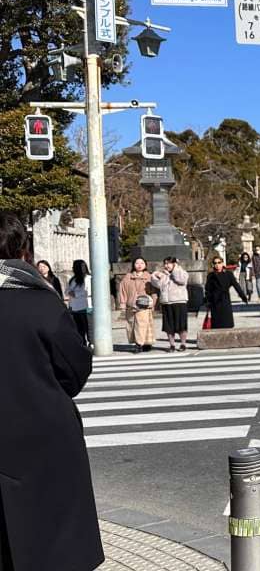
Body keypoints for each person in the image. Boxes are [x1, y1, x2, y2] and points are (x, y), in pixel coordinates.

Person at [0, 212, 104, 571]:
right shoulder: (38, 302)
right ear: (22, 251)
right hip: (45, 432)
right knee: (53, 538)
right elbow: (75, 368)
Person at [150, 257, 190, 352]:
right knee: (169, 325)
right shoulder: (163, 275)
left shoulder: (182, 272)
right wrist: (156, 275)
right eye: (165, 263)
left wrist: (175, 270)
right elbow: (156, 284)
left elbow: (181, 280)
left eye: (169, 263)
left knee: (181, 324)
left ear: (174, 264)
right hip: (166, 302)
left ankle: (183, 344)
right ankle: (171, 344)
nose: (166, 265)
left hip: (179, 301)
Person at [118, 258, 156, 352]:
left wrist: (153, 303)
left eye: (142, 263)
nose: (139, 265)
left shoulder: (149, 277)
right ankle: (143, 343)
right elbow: (122, 291)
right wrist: (123, 303)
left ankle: (139, 345)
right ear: (133, 265)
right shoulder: (128, 277)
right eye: (137, 263)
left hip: (144, 306)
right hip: (131, 305)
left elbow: (154, 292)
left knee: (142, 325)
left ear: (145, 265)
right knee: (131, 325)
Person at [205, 256, 250, 329]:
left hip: (225, 299)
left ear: (222, 263)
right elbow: (208, 289)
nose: (217, 265)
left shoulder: (228, 274)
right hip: (215, 301)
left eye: (219, 262)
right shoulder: (211, 276)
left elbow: (236, 286)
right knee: (216, 323)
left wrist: (243, 296)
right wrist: (207, 301)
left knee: (227, 322)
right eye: (215, 263)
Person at [65, 259, 90, 346]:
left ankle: (90, 342)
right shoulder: (73, 279)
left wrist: (74, 293)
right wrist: (70, 292)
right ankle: (82, 343)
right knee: (78, 327)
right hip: (74, 307)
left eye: (74, 267)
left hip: (85, 306)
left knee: (87, 327)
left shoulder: (88, 278)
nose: (72, 268)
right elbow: (67, 290)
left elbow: (88, 291)